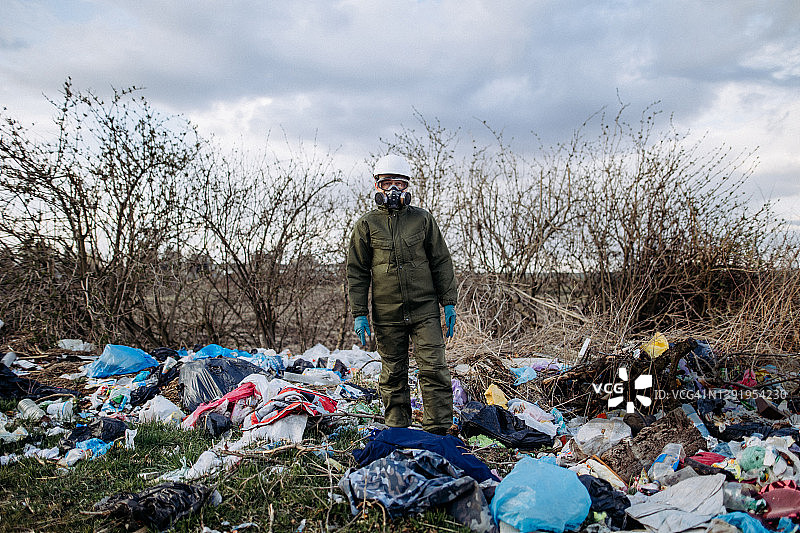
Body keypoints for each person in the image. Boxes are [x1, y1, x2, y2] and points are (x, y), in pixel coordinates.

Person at [346, 153, 457, 435]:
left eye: (399, 183)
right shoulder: (366, 225)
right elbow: (357, 271)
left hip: (425, 311)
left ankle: (439, 433)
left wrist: (449, 302)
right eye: (386, 183)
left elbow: (441, 260)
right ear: (376, 187)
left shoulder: (422, 220)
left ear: (408, 187)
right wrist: (359, 313)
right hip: (387, 313)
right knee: (393, 374)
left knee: (434, 369)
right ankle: (398, 431)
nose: (393, 190)